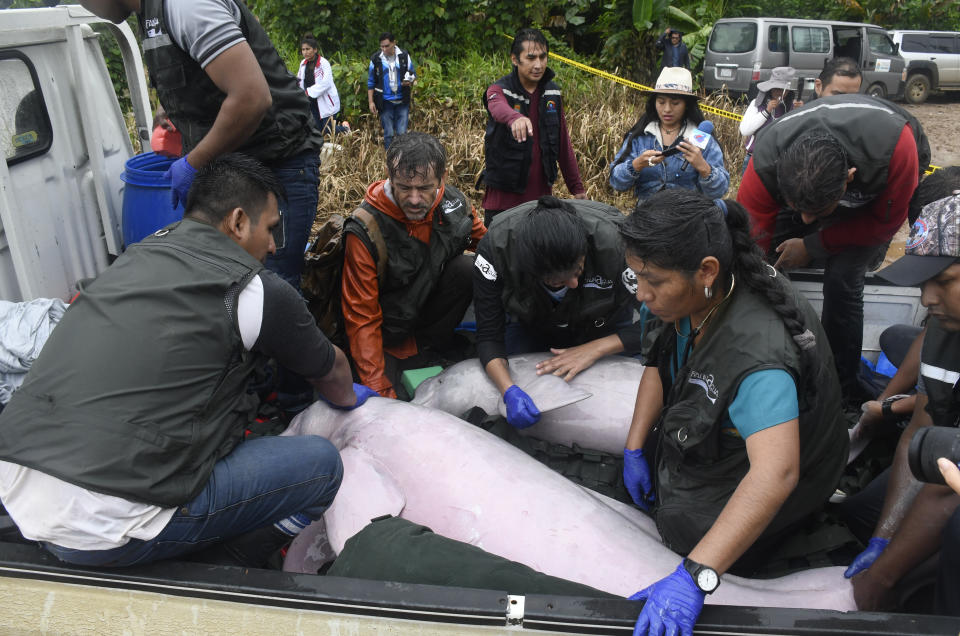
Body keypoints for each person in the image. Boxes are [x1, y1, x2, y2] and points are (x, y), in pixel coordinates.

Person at [0, 155, 377, 569]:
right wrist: (353, 401)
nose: (273, 246)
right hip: (107, 528)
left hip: (20, 492)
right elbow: (333, 374)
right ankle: (222, 566)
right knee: (321, 467)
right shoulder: (253, 290)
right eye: (270, 228)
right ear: (237, 222)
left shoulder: (133, 258)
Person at [619, 189, 848, 635]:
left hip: (791, 469)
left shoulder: (758, 355)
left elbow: (776, 474)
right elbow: (657, 362)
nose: (641, 293)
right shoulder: (686, 291)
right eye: (634, 277)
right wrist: (632, 447)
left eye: (653, 281)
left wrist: (696, 576)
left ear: (706, 270)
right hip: (720, 429)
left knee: (687, 528)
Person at [80, 0, 324, 291]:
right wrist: (171, 106)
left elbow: (252, 97)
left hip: (278, 161)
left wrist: (192, 163)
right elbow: (196, 67)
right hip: (235, 170)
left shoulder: (186, 5)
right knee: (235, 284)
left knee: (273, 285)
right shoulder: (149, 15)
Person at [737, 93, 927, 405]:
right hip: (806, 177)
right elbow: (747, 244)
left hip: (880, 180)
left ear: (848, 180)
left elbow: (882, 226)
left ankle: (842, 386)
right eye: (799, 210)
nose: (806, 221)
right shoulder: (766, 160)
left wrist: (815, 244)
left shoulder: (896, 151)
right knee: (759, 268)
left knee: (843, 279)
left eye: (817, 212)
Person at [836, 191, 960, 616]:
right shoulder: (947, 333)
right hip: (950, 471)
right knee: (861, 513)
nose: (926, 299)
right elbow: (923, 435)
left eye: (943, 282)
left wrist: (887, 576)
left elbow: (949, 488)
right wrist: (883, 539)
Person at [473, 196, 643, 429]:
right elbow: (488, 336)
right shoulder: (495, 251)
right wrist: (508, 391)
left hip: (604, 326)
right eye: (558, 281)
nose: (573, 284)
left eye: (578, 271)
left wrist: (595, 349)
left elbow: (661, 323)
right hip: (534, 323)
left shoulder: (619, 247)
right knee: (507, 379)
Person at [341, 132, 486, 400]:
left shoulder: (455, 206)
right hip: (386, 330)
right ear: (390, 178)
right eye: (405, 188)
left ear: (442, 180)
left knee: (470, 268)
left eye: (425, 188)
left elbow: (491, 247)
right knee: (381, 389)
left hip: (427, 317)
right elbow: (361, 315)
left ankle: (428, 347)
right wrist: (379, 388)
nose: (415, 199)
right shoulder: (365, 230)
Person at [480, 27, 586, 226]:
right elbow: (496, 106)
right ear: (515, 59)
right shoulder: (499, 89)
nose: (538, 65)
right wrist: (514, 118)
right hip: (503, 201)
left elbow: (563, 143)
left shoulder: (552, 93)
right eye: (530, 58)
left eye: (543, 57)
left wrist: (577, 188)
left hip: (540, 201)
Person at [609, 67, 729, 206]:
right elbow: (616, 182)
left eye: (675, 103)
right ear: (654, 103)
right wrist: (637, 164)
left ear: (687, 105)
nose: (667, 109)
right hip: (647, 218)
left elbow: (720, 191)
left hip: (689, 218)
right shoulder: (641, 137)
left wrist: (703, 167)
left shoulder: (700, 138)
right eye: (661, 102)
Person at [738, 66, 801, 175]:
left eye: (782, 90)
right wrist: (766, 111)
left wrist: (800, 112)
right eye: (775, 88)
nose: (778, 92)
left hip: (778, 161)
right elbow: (745, 131)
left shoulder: (790, 107)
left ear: (788, 91)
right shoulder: (757, 103)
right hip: (754, 158)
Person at [367, 32, 415, 149]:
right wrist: (371, 102)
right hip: (385, 101)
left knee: (402, 134)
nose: (384, 49)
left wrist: (409, 80)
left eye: (387, 46)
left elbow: (412, 74)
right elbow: (371, 82)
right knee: (388, 133)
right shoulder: (376, 59)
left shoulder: (404, 56)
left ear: (394, 43)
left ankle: (402, 158)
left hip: (402, 100)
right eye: (382, 46)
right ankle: (389, 158)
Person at [297, 33, 343, 137]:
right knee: (317, 130)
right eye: (303, 49)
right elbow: (300, 81)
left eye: (308, 49)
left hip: (326, 102)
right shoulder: (303, 63)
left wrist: (308, 92)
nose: (305, 52)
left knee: (328, 130)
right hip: (311, 102)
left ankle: (345, 129)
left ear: (315, 50)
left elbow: (326, 83)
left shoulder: (324, 63)